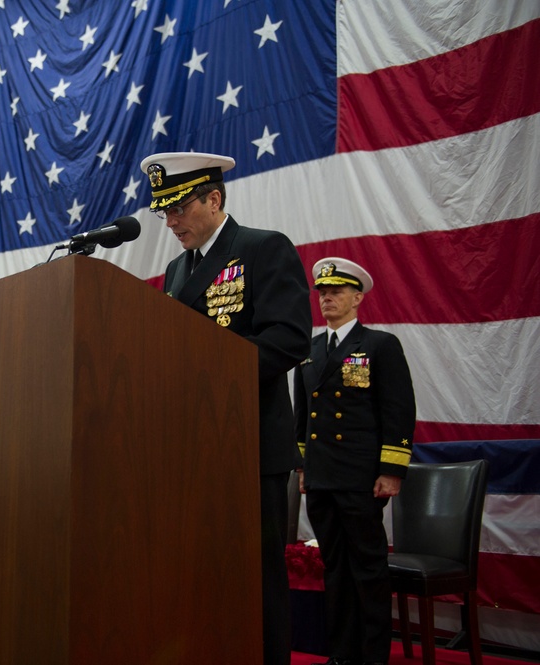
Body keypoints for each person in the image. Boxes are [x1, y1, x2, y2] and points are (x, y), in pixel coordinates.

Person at [141, 152, 312, 665]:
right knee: (198, 574)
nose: (170, 223)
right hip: (189, 449)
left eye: (178, 209)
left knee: (254, 577)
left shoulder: (262, 249)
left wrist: (206, 371)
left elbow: (289, 339)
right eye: (163, 213)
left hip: (249, 444)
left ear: (214, 199)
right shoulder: (174, 271)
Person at [294, 258, 416, 665]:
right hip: (323, 478)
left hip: (363, 478)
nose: (327, 298)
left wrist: (392, 471)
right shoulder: (309, 352)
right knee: (335, 570)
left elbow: (397, 412)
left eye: (337, 292)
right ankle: (342, 654)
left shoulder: (379, 345)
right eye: (323, 293)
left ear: (357, 297)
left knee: (367, 569)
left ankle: (373, 655)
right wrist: (304, 469)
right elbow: (303, 417)